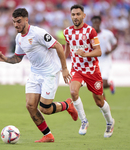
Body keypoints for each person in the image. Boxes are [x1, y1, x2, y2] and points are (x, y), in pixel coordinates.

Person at [0, 8, 78, 143]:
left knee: (45, 109)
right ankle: (48, 135)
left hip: (49, 73)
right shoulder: (19, 38)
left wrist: (65, 69)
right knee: (30, 106)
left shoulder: (38, 33)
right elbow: (18, 58)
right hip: (35, 73)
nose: (16, 25)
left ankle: (67, 105)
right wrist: (5, 59)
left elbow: (59, 47)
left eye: (19, 21)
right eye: (14, 22)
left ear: (26, 20)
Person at [63, 4, 115, 138]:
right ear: (71, 15)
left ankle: (110, 122)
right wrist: (63, 64)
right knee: (73, 92)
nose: (75, 17)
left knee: (99, 101)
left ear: (83, 16)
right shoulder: (67, 32)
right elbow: (68, 47)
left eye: (78, 14)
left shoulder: (90, 31)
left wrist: (84, 54)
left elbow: (99, 51)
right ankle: (84, 121)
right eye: (73, 14)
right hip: (77, 70)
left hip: (92, 70)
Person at [91, 16, 118, 100]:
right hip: (95, 62)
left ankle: (110, 85)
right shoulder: (90, 36)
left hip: (106, 61)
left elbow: (115, 43)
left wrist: (110, 51)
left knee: (104, 84)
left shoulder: (107, 34)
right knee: (96, 85)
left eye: (97, 22)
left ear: (100, 23)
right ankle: (103, 102)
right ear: (92, 23)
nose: (96, 24)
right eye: (94, 22)